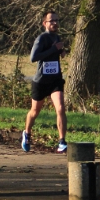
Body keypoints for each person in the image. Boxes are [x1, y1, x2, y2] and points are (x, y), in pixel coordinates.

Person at [22, 11, 68, 154]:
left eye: (57, 20)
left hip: (55, 80)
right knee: (35, 111)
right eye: (51, 21)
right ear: (45, 23)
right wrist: (54, 49)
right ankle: (27, 133)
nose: (55, 23)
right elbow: (33, 57)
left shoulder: (57, 37)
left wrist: (61, 52)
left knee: (60, 108)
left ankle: (62, 141)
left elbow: (56, 52)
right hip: (41, 81)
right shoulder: (41, 38)